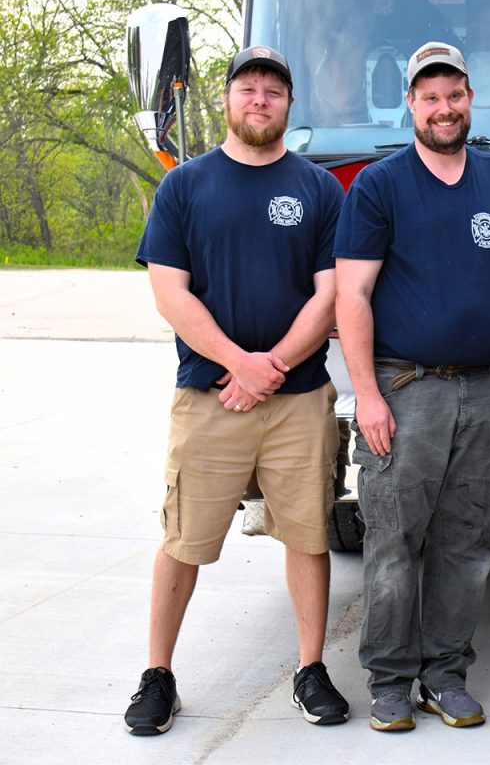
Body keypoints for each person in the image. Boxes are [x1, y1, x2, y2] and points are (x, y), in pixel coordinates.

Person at [125, 46, 350, 735]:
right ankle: (158, 675)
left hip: (299, 399)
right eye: (248, 89)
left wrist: (274, 364)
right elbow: (170, 291)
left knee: (308, 536)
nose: (260, 100)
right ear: (226, 101)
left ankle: (310, 669)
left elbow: (332, 292)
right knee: (183, 539)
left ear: (288, 107)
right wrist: (237, 363)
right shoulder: (185, 187)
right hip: (208, 397)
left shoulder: (318, 189)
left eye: (273, 92)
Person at [334, 41, 490, 733]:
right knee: (395, 541)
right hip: (407, 389)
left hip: (484, 388)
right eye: (430, 97)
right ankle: (391, 681)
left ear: (470, 98)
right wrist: (367, 393)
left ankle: (445, 673)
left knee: (470, 539)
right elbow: (353, 297)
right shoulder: (379, 185)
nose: (444, 108)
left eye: (454, 94)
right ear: (411, 104)